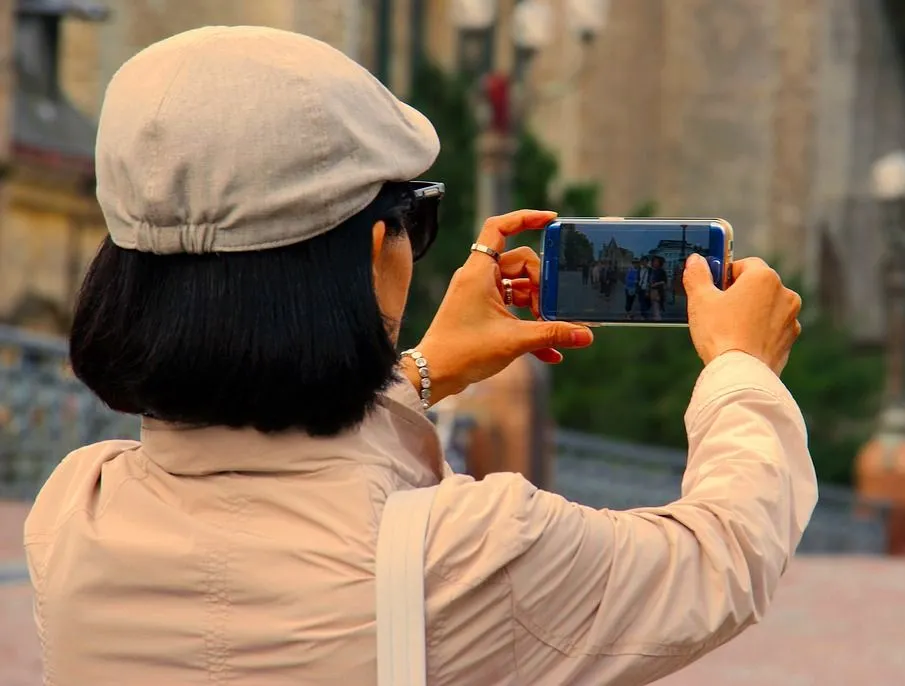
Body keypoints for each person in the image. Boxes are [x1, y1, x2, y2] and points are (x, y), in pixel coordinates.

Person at [24, 27, 816, 686]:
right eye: (414, 218)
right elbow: (722, 556)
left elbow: (263, 478)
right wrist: (740, 367)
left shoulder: (74, 516)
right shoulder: (468, 554)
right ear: (378, 248)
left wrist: (422, 370)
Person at [649, 255, 669, 321]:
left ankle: (658, 320)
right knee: (654, 307)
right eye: (654, 261)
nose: (655, 263)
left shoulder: (661, 271)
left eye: (656, 261)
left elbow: (664, 282)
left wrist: (656, 284)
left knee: (657, 307)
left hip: (658, 291)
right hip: (652, 291)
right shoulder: (652, 271)